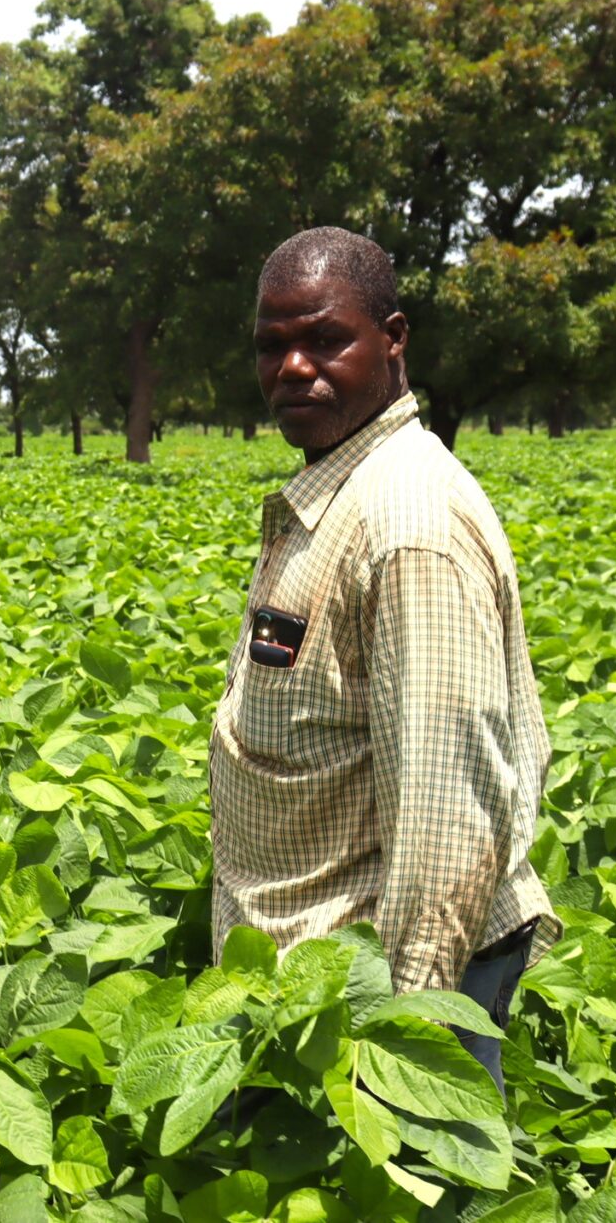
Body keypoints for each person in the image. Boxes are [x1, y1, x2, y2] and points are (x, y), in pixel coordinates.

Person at [208, 226, 558, 1094]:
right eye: (272, 344)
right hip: (320, 991)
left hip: (383, 1008)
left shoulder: (408, 525)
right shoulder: (344, 486)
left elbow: (449, 829)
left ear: (393, 341)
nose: (293, 366)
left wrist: (400, 1052)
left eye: (325, 338)